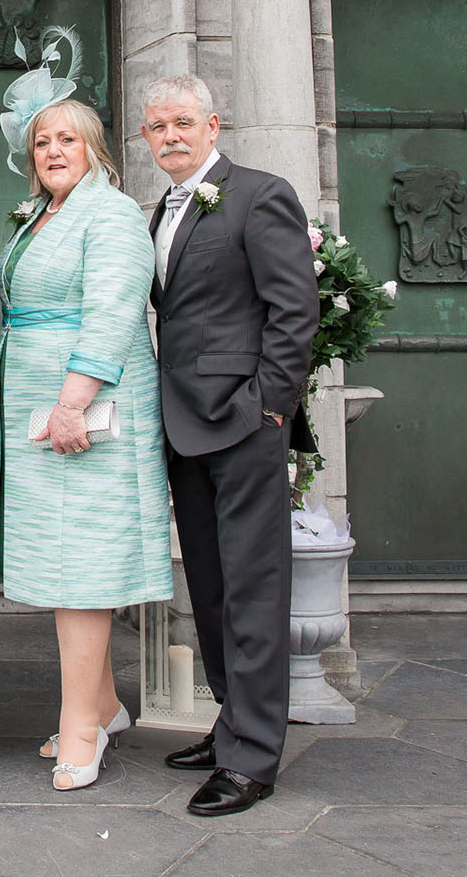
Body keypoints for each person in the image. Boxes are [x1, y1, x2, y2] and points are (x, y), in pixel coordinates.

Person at [0, 37, 172, 791]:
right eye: (42, 141)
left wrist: (72, 401)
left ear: (94, 148)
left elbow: (112, 313)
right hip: (40, 409)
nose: (53, 149)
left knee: (82, 568)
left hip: (88, 413)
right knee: (58, 562)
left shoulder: (114, 214)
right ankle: (101, 703)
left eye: (68, 138)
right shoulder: (43, 214)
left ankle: (80, 730)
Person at [140, 74, 318, 817]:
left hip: (242, 424)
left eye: (183, 121)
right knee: (210, 590)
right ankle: (229, 725)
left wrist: (269, 409)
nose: (170, 136)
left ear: (213, 125)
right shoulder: (163, 208)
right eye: (157, 126)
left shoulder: (259, 193)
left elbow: (293, 308)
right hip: (182, 422)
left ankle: (252, 761)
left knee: (252, 590)